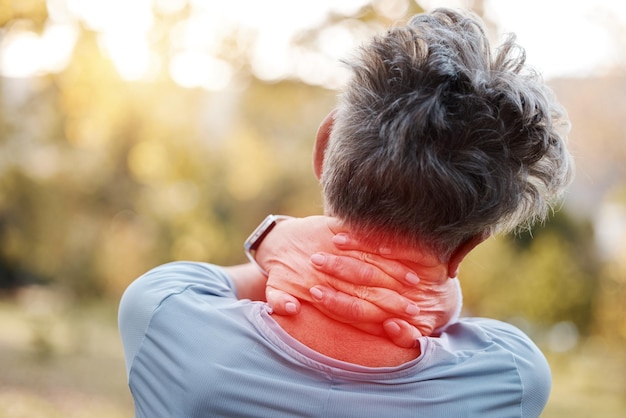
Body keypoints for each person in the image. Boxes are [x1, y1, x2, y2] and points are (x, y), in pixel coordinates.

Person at [118, 7, 573, 417]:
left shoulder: (165, 313)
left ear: (323, 148)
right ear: (469, 246)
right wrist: (438, 290)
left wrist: (273, 241)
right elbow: (458, 326)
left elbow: (200, 287)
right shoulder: (512, 377)